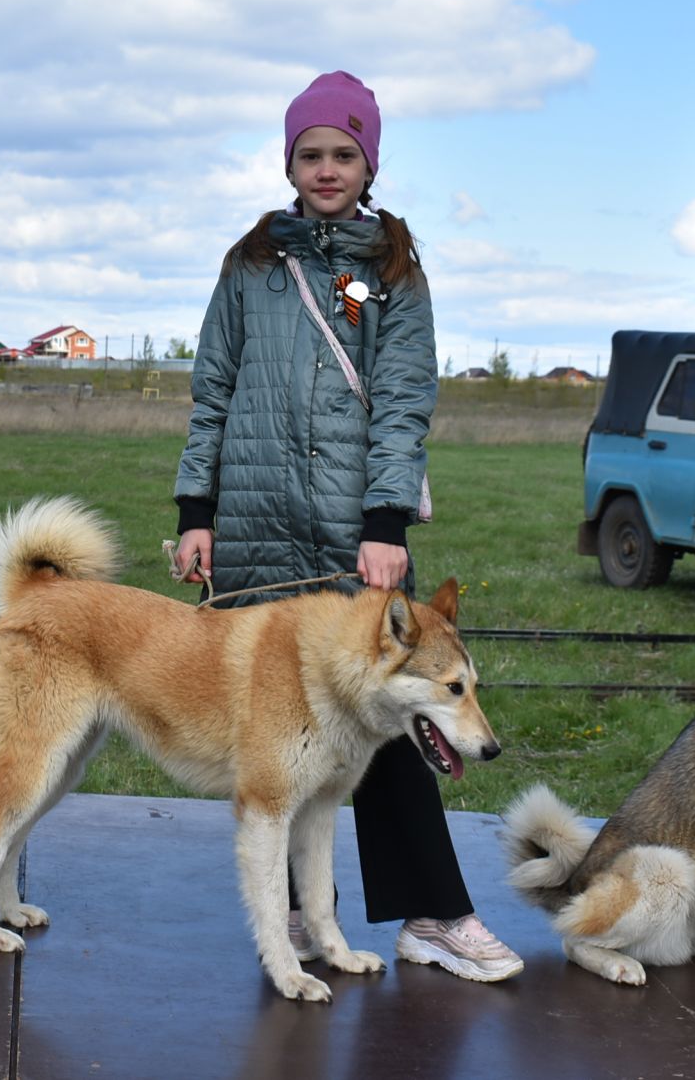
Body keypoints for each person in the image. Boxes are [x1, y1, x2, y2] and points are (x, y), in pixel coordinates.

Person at [170, 71, 521, 984]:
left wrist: (385, 520)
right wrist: (195, 514)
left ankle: (433, 913)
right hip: (251, 526)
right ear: (289, 162)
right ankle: (292, 912)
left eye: (344, 153)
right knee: (278, 732)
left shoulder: (392, 269)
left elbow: (404, 398)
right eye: (309, 153)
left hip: (349, 538)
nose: (326, 169)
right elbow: (212, 389)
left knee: (388, 717)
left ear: (370, 161)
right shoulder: (250, 264)